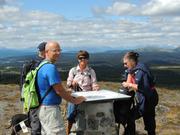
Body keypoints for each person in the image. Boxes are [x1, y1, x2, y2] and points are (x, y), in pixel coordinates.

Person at [37, 41, 85, 135]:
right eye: (55, 51)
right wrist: (74, 100)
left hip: (44, 109)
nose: (58, 53)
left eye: (59, 50)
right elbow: (59, 90)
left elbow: (51, 88)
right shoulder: (50, 68)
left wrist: (66, 91)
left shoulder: (42, 65)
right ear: (46, 52)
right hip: (50, 110)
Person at [122, 51, 159, 135]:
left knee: (133, 117)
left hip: (148, 99)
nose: (125, 66)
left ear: (132, 61)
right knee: (149, 120)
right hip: (145, 98)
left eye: (125, 63)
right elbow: (129, 80)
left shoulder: (142, 71)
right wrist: (129, 76)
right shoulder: (134, 69)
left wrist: (129, 84)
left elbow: (144, 88)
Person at [66, 50, 99, 134]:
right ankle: (67, 132)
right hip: (74, 96)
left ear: (88, 59)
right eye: (81, 58)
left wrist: (96, 88)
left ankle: (86, 131)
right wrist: (72, 83)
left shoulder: (91, 71)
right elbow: (68, 84)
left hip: (87, 97)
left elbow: (94, 83)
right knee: (71, 116)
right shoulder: (73, 71)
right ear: (78, 59)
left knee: (87, 115)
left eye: (85, 58)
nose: (83, 60)